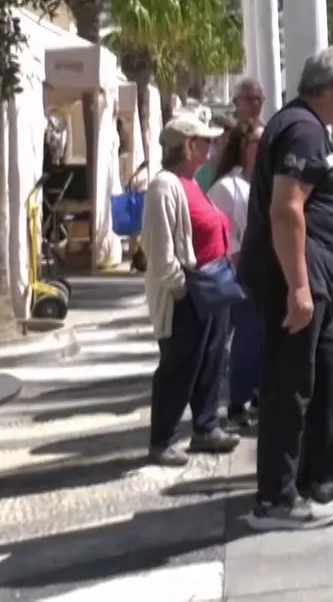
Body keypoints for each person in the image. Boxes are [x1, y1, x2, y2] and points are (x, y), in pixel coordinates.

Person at [237, 47, 333, 531]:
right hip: (294, 279)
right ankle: (276, 498)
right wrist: (298, 286)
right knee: (289, 384)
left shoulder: (309, 127)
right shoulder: (302, 129)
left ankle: (329, 477)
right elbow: (286, 209)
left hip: (319, 275)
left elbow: (314, 206)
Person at [140, 115, 242, 466]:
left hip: (211, 286)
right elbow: (160, 248)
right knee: (179, 366)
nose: (212, 146)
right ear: (188, 146)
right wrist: (180, 288)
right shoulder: (164, 186)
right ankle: (163, 439)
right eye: (205, 141)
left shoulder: (192, 182)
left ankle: (205, 427)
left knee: (211, 360)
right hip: (190, 291)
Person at [208, 120, 265, 431]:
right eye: (258, 142)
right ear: (243, 146)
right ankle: (237, 402)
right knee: (245, 336)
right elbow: (223, 236)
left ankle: (255, 393)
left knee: (257, 336)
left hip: (261, 270)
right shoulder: (227, 188)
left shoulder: (263, 182)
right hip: (237, 272)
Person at [196, 77, 266, 190]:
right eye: (249, 99)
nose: (255, 104)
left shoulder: (267, 131)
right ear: (236, 101)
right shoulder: (222, 130)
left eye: (259, 99)